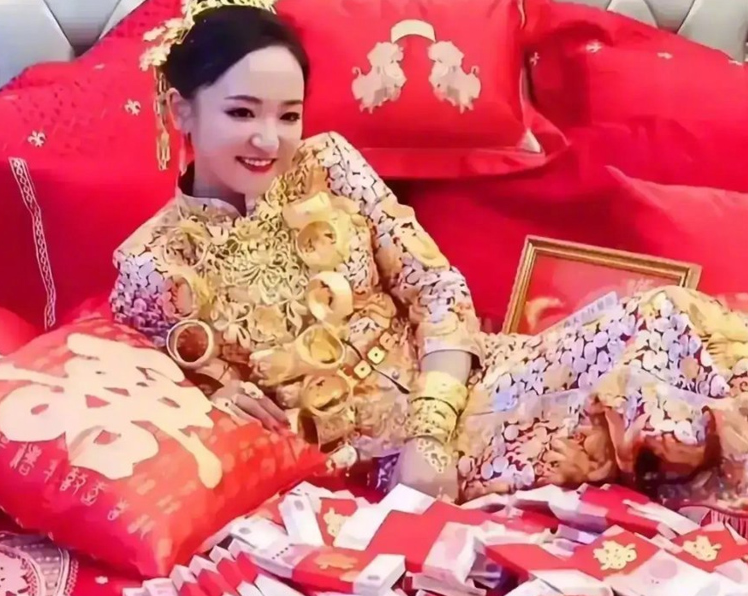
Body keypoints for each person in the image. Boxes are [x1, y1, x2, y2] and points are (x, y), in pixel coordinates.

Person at [113, 0, 748, 515]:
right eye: (241, 112)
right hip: (386, 465)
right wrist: (218, 408)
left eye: (288, 115)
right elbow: (183, 414)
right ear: (180, 109)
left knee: (668, 318)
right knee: (635, 403)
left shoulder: (329, 162)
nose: (268, 139)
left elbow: (437, 288)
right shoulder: (153, 268)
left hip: (461, 381)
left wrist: (430, 429)